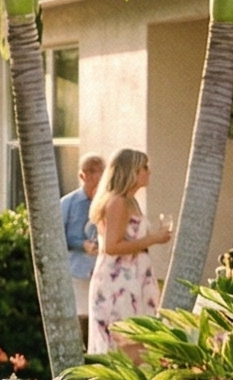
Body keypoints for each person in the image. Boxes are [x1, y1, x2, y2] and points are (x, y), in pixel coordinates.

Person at [86, 148, 170, 354]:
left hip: (134, 277)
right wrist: (152, 239)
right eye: (144, 167)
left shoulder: (130, 201)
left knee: (140, 342)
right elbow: (111, 246)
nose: (148, 172)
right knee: (126, 343)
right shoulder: (118, 202)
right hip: (119, 283)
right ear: (131, 171)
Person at [58, 154, 106, 334]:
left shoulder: (110, 202)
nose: (97, 176)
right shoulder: (68, 203)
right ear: (82, 175)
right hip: (77, 271)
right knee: (82, 319)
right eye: (92, 171)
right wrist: (81, 244)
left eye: (101, 170)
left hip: (103, 271)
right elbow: (58, 237)